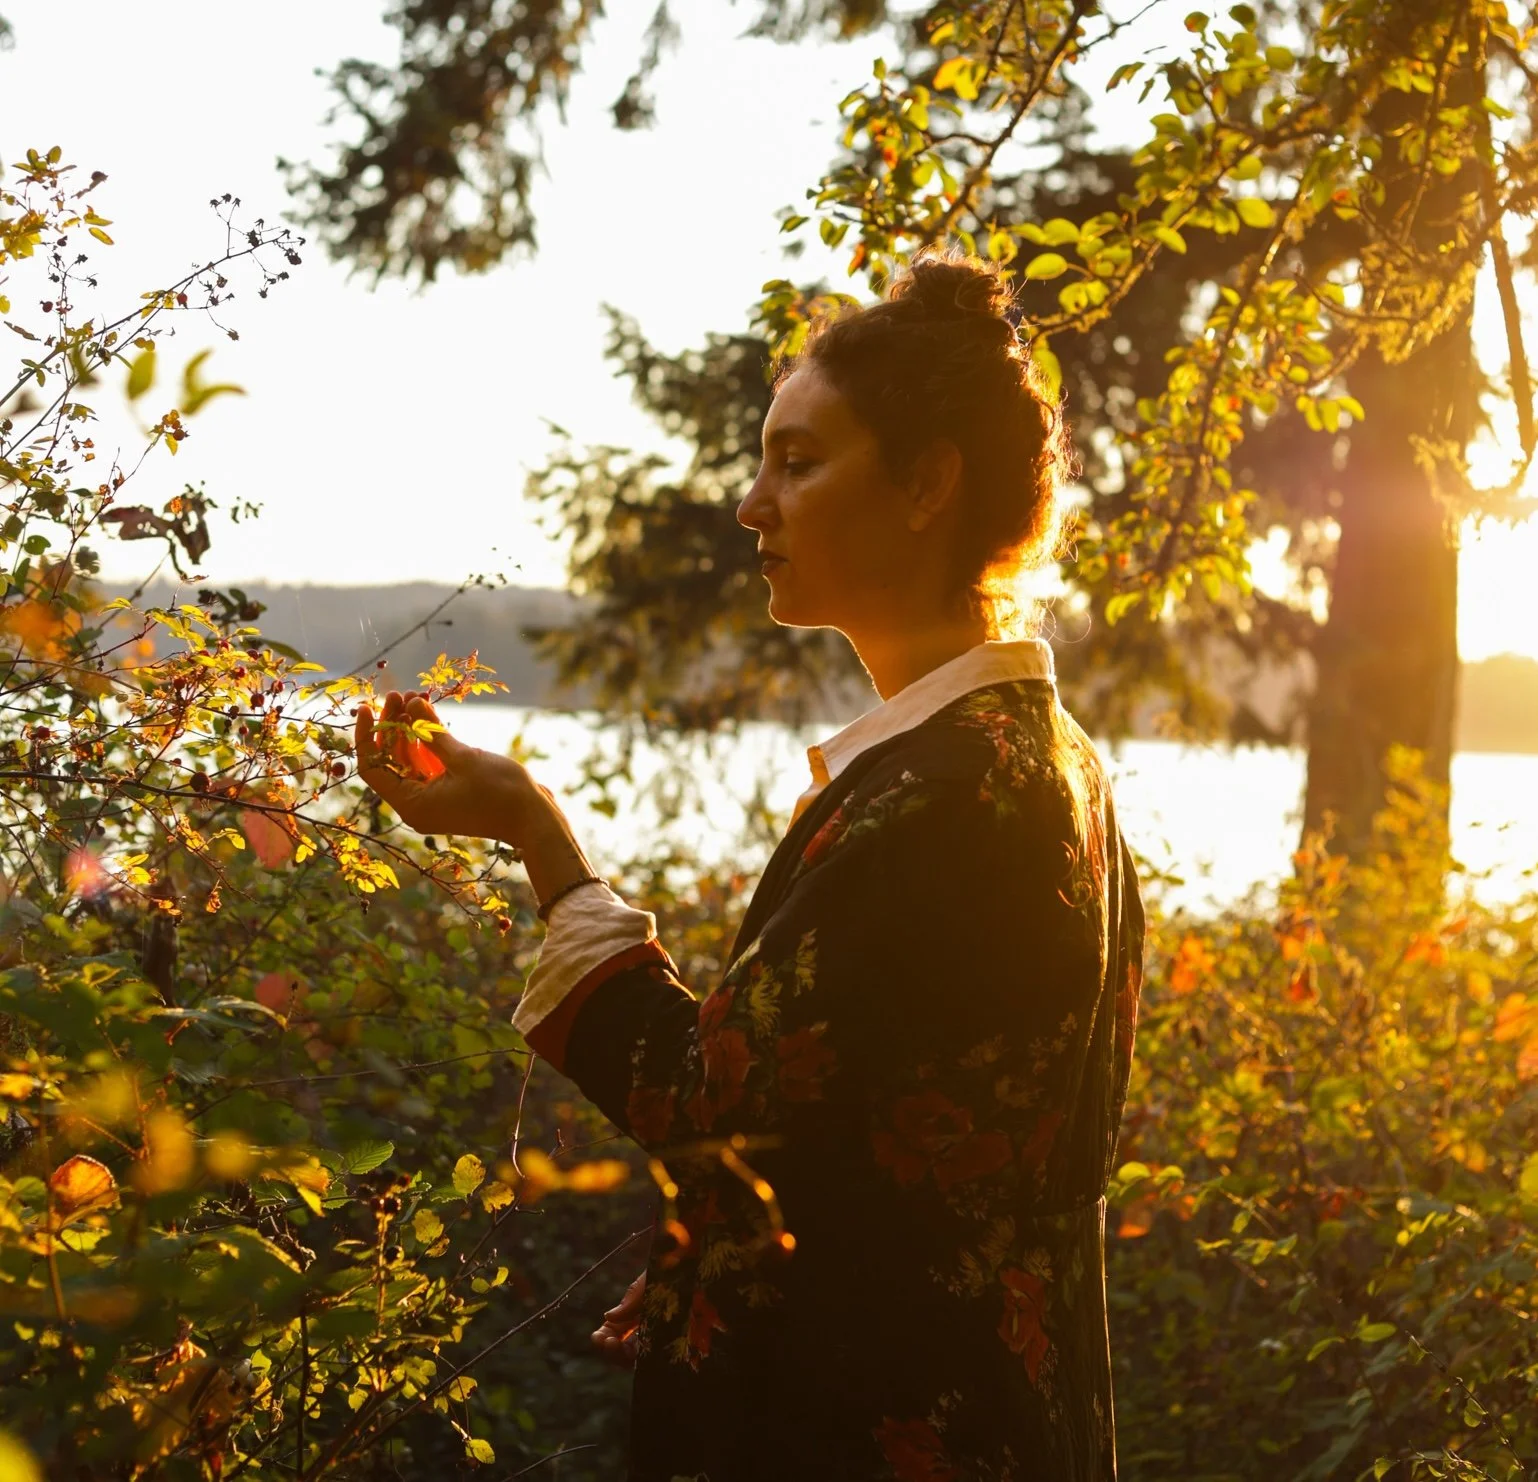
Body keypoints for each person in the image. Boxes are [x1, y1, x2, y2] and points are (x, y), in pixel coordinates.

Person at [356, 251, 1146, 1481]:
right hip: (997, 1413)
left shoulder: (949, 792)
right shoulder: (1047, 760)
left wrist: (537, 837)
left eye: (799, 460)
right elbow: (845, 1132)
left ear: (928, 482)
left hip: (886, 1429)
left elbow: (699, 1100)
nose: (750, 503)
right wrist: (716, 1250)